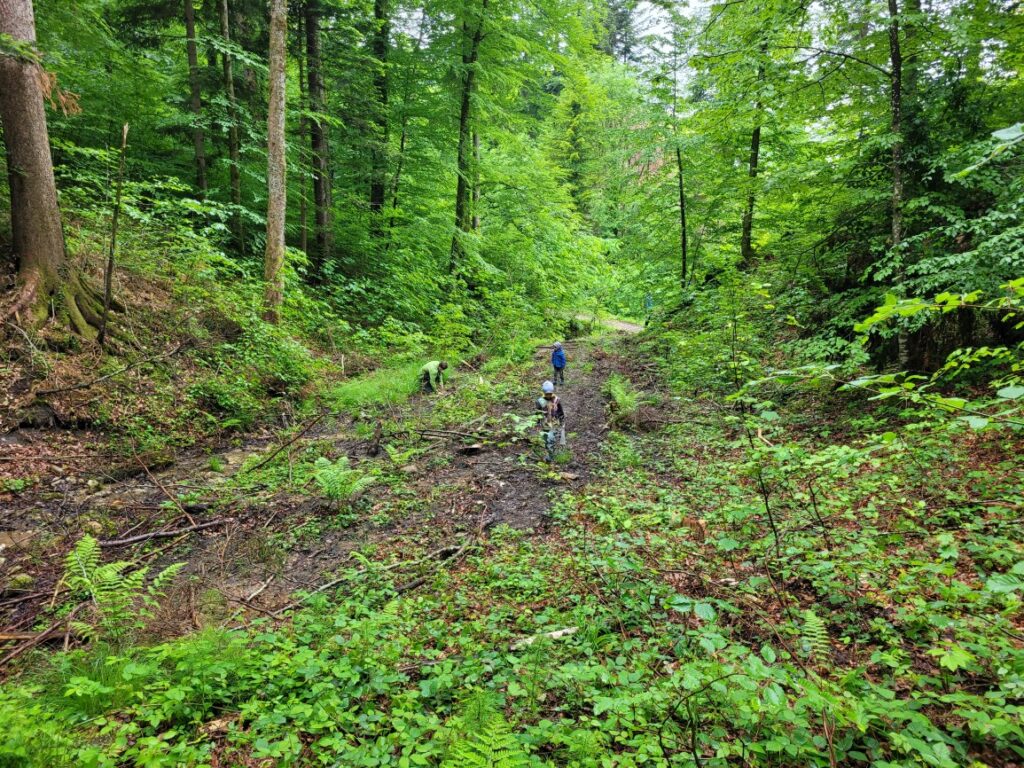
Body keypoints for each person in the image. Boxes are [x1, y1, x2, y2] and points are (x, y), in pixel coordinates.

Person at [535, 380, 566, 461]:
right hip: (545, 423)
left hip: (554, 423)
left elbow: (560, 411)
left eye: (550, 394)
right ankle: (550, 453)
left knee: (550, 439)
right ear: (544, 392)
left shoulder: (556, 400)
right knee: (546, 440)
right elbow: (537, 413)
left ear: (552, 392)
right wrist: (537, 423)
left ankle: (550, 458)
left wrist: (562, 421)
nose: (548, 395)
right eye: (547, 394)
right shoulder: (539, 401)